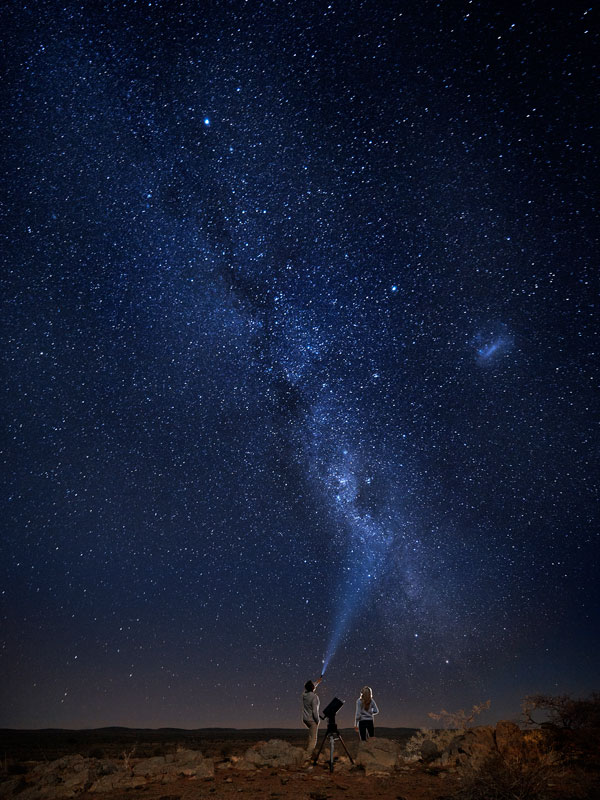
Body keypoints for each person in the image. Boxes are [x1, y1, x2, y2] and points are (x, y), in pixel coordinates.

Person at [301, 675, 323, 759]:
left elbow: (310, 687)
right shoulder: (314, 697)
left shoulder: (304, 695)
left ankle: (307, 752)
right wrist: (318, 720)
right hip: (312, 720)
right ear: (313, 688)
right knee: (314, 739)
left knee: (310, 736)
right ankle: (307, 756)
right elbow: (315, 711)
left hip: (305, 719)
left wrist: (317, 682)